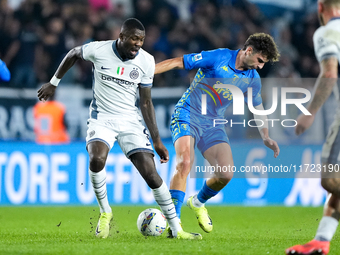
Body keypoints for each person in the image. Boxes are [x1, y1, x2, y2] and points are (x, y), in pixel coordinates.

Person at [37, 18, 201, 240]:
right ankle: (105, 212)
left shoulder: (146, 61)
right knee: (96, 159)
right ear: (121, 37)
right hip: (101, 118)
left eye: (141, 40)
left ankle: (176, 228)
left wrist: (157, 140)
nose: (138, 44)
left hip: (130, 121)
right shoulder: (99, 49)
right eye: (134, 39)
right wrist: (53, 83)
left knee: (151, 174)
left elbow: (145, 102)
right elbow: (74, 53)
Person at [155, 33, 280, 235]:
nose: (260, 66)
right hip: (187, 113)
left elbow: (257, 107)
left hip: (213, 124)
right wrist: (148, 72)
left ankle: (197, 203)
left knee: (226, 173)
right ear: (249, 50)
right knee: (185, 162)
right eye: (260, 60)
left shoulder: (252, 79)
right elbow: (179, 62)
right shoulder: (218, 57)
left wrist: (265, 136)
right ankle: (174, 225)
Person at [286, 0, 340, 254]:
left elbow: (329, 73)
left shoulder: (328, 31)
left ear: (320, 8)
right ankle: (321, 240)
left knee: (330, 179)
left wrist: (308, 113)